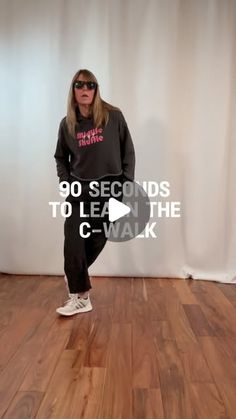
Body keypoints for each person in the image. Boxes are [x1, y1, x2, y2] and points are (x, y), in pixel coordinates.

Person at [54, 69, 135, 316]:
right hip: (80, 189)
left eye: (90, 85)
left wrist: (125, 185)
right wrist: (65, 181)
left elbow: (128, 153)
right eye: (80, 85)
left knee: (97, 239)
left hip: (110, 188)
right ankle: (82, 297)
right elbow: (60, 157)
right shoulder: (68, 124)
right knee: (73, 240)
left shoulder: (114, 116)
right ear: (74, 90)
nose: (85, 89)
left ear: (96, 89)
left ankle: (75, 279)